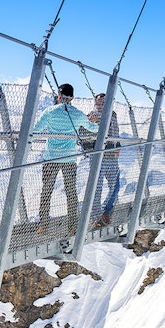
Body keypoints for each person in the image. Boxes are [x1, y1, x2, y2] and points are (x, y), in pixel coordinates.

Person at [32, 83, 99, 234]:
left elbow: (35, 129)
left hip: (51, 158)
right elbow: (93, 129)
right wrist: (95, 121)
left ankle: (43, 225)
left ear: (59, 96)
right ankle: (72, 226)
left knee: (46, 191)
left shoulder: (49, 112)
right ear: (72, 98)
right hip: (69, 158)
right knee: (71, 192)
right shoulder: (77, 114)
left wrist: (27, 143)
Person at [86, 93, 121, 227]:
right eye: (98, 103)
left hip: (112, 156)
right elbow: (84, 133)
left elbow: (115, 132)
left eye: (102, 103)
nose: (99, 105)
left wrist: (118, 146)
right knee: (97, 187)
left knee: (115, 185)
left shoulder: (113, 114)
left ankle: (105, 210)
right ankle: (94, 217)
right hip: (98, 157)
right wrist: (90, 122)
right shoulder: (91, 116)